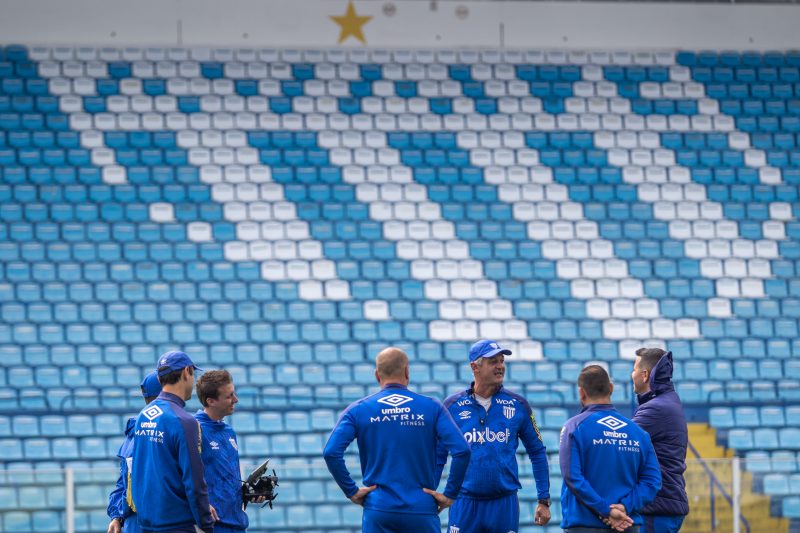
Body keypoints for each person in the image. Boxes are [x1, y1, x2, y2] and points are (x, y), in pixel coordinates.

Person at [323, 347, 471, 532]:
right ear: (407, 372)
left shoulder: (358, 409)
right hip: (421, 508)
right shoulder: (432, 407)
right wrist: (449, 494)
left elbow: (331, 452)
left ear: (377, 375)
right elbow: (462, 451)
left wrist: (351, 491)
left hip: (379, 508)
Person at [438, 339, 551, 532]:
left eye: (502, 361)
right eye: (493, 362)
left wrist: (544, 499)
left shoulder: (518, 405)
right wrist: (430, 493)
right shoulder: (452, 406)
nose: (500, 366)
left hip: (504, 503)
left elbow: (537, 452)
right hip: (464, 502)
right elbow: (437, 455)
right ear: (475, 367)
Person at [560, 365, 662, 533]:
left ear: (581, 392)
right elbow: (652, 481)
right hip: (627, 524)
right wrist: (624, 506)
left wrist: (606, 510)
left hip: (585, 525)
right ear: (611, 388)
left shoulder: (574, 427)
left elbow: (573, 477)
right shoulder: (638, 433)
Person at [130, 350, 218, 533]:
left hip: (147, 524)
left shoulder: (143, 416)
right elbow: (194, 480)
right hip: (177, 525)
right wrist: (206, 525)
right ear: (187, 371)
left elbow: (138, 471)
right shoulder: (183, 421)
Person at [195, 370, 264, 533]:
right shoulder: (194, 430)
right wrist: (201, 504)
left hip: (237, 523)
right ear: (210, 401)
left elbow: (226, 477)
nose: (236, 399)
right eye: (229, 396)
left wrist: (249, 493)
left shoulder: (228, 431)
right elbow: (183, 476)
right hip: (212, 526)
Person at [630, 348, 689, 533]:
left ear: (645, 374)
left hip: (657, 508)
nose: (631, 375)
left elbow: (620, 442)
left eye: (634, 369)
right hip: (662, 506)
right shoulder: (665, 402)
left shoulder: (656, 408)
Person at [106, 371, 162, 533]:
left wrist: (116, 516)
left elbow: (122, 483)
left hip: (133, 522)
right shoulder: (165, 429)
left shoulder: (134, 431)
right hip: (155, 522)